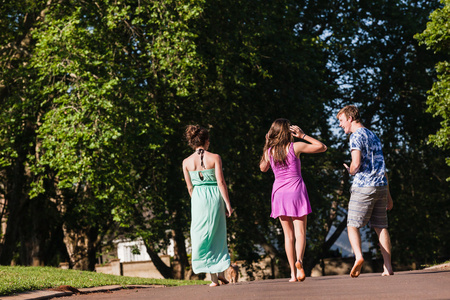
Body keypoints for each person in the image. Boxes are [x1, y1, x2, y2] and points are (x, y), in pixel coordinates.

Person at [260, 119, 327, 282]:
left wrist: (266, 143)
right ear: (288, 132)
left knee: (288, 236)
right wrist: (303, 135)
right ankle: (299, 262)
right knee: (300, 233)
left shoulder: (270, 151)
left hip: (279, 194)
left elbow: (262, 168)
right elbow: (322, 147)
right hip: (296, 192)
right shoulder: (295, 147)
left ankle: (292, 273)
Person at [336, 105, 394, 278]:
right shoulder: (373, 135)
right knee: (381, 227)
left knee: (352, 224)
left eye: (341, 121)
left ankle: (359, 257)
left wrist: (351, 171)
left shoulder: (356, 137)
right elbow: (382, 167)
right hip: (381, 186)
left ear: (350, 118)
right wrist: (389, 196)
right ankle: (388, 267)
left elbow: (356, 163)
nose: (340, 125)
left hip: (364, 186)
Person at [182, 125, 234, 287]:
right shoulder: (215, 157)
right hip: (214, 197)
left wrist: (196, 200)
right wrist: (228, 204)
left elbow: (189, 187)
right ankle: (219, 273)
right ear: (206, 141)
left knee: (202, 235)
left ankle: (214, 278)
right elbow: (221, 182)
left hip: (197, 198)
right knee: (217, 234)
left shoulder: (186, 162)